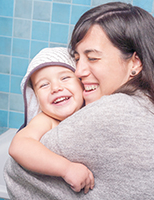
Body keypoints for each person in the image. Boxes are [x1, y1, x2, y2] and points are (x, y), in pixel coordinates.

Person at [4, 2, 154, 199]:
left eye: (92, 58)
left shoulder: (115, 111)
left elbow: (17, 172)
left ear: (135, 62)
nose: (79, 71)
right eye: (76, 59)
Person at [8, 47, 94, 194]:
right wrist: (66, 168)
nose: (55, 88)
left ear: (81, 83)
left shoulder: (92, 112)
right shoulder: (46, 120)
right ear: (35, 98)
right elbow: (18, 146)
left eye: (65, 78)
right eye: (44, 85)